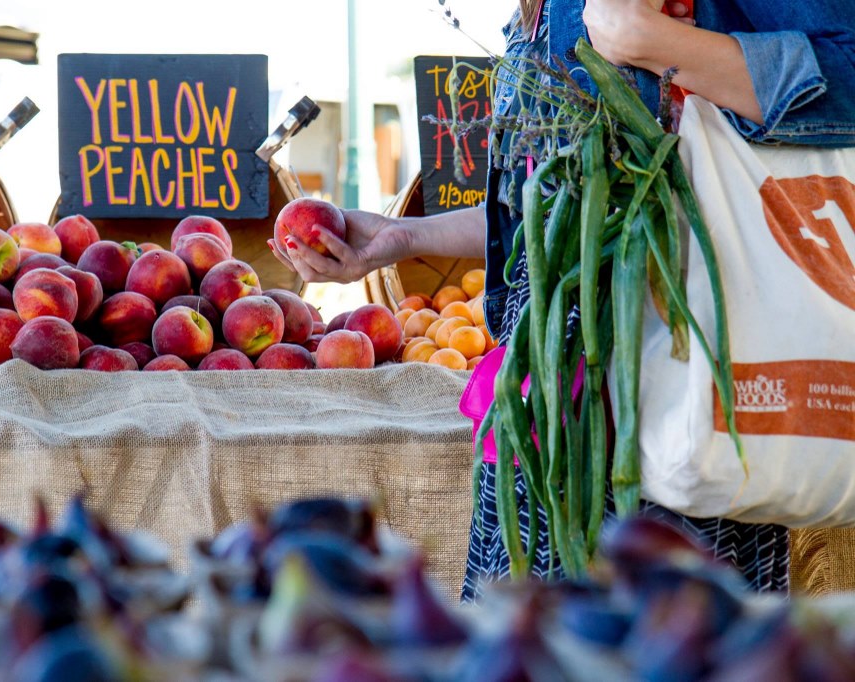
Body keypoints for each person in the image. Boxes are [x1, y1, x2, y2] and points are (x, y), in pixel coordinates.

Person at [270, 0, 855, 601]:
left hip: (667, 388)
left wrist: (650, 40)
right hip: (544, 414)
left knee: (661, 645)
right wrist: (403, 239)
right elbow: (549, 209)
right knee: (527, 644)